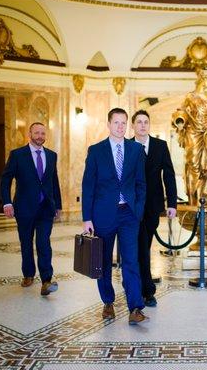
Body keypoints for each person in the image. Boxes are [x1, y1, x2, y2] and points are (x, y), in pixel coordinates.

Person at [82, 108, 148, 325]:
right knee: (103, 261)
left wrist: (138, 209)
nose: (120, 127)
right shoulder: (96, 151)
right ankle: (108, 302)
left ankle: (135, 307)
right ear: (108, 124)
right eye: (116, 123)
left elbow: (141, 183)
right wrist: (87, 218)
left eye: (123, 123)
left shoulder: (136, 150)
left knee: (131, 260)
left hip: (129, 214)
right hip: (103, 215)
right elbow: (88, 186)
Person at [0, 122, 61, 296]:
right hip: (24, 208)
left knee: (43, 243)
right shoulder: (18, 155)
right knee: (26, 243)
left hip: (45, 209)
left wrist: (58, 205)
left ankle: (47, 280)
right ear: (30, 134)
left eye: (43, 133)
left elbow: (53, 181)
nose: (40, 136)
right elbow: (5, 180)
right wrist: (7, 202)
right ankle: (28, 274)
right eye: (37, 133)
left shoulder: (51, 155)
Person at [131, 110, 177, 307]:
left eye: (146, 122)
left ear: (149, 125)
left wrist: (172, 204)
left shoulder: (160, 146)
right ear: (133, 125)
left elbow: (169, 175)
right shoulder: (126, 146)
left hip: (152, 206)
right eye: (139, 122)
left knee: (144, 245)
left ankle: (138, 284)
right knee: (141, 247)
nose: (142, 125)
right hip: (131, 207)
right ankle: (147, 291)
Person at [172, 69, 207, 206]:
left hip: (206, 132)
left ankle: (204, 190)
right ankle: (195, 197)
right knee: (193, 163)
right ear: (201, 79)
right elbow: (180, 111)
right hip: (192, 132)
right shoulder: (190, 96)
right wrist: (180, 121)